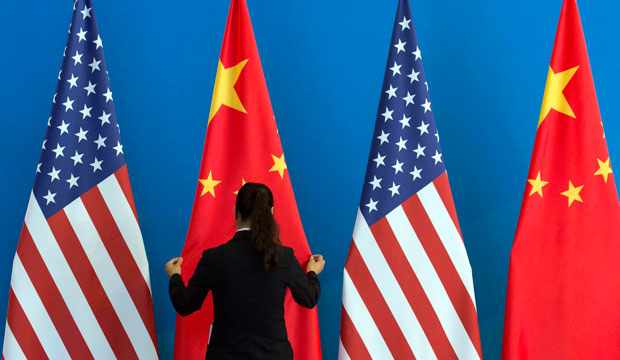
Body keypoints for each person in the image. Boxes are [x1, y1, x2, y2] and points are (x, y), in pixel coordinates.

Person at [166, 182, 325, 360]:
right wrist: (312, 272)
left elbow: (185, 304)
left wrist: (175, 276)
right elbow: (309, 298)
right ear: (271, 213)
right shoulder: (284, 256)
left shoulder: (214, 258)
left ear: (236, 211)